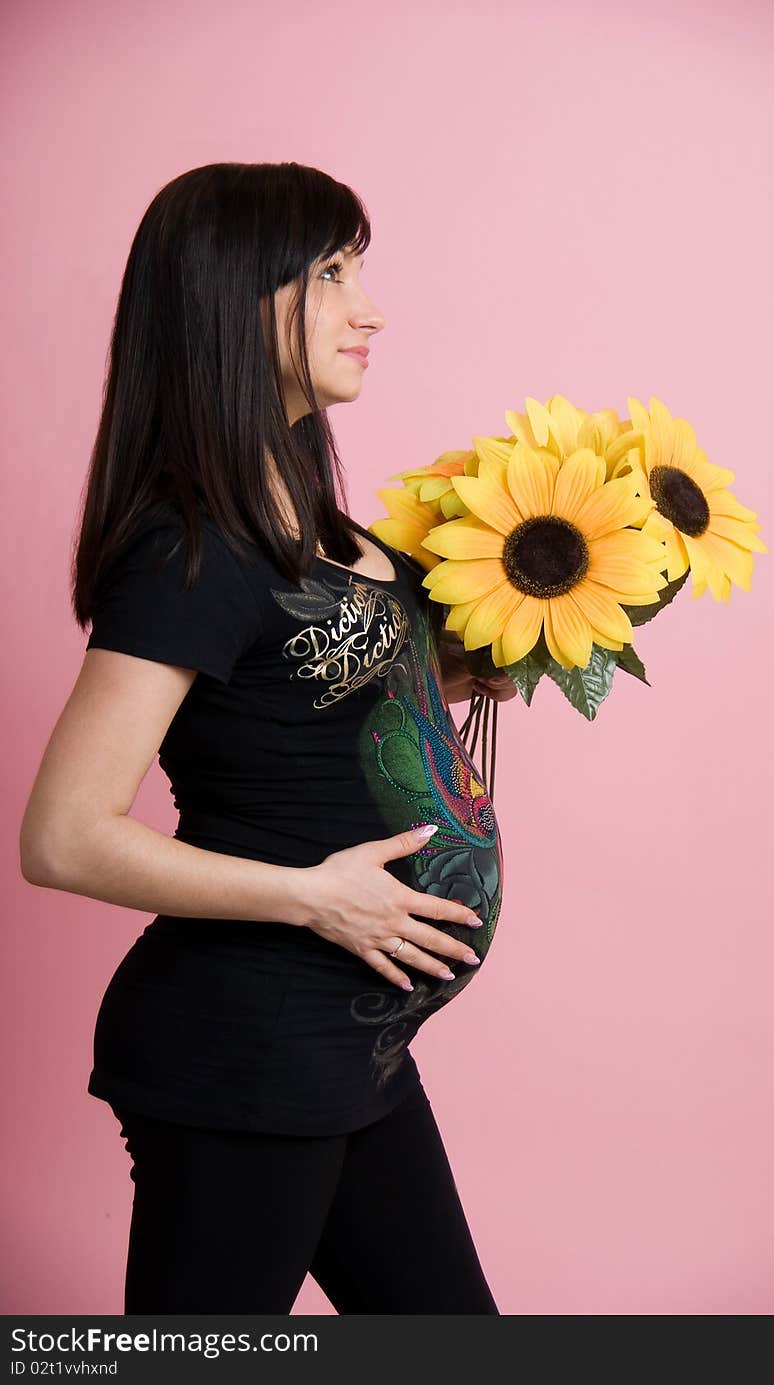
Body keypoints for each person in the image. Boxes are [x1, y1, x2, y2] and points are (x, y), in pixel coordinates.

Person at [19, 161, 516, 1314]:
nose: (370, 307)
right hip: (250, 1046)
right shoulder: (188, 548)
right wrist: (315, 896)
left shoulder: (304, 510)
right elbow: (63, 835)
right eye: (331, 274)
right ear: (230, 300)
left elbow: (298, 690)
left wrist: (482, 647)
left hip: (353, 1048)